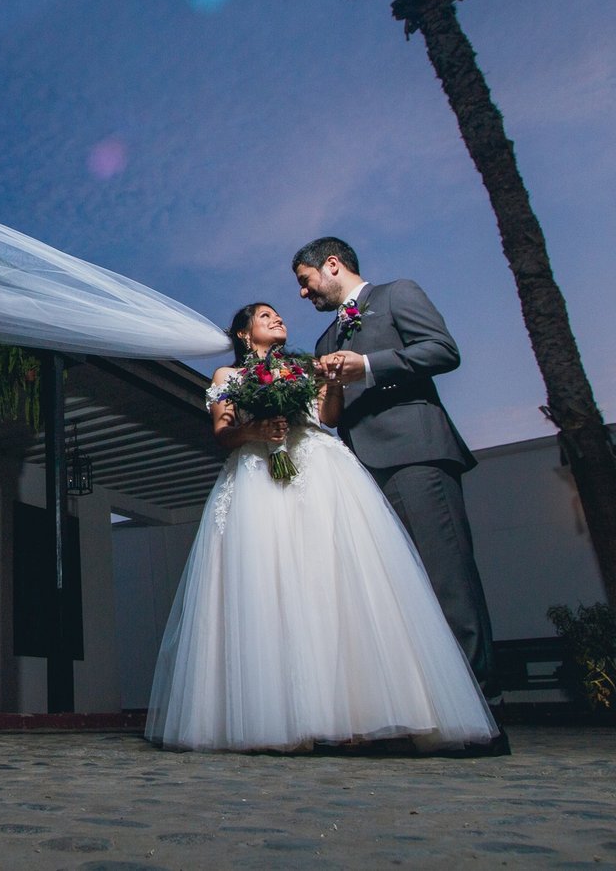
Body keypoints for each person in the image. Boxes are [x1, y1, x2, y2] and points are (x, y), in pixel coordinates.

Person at [144, 302, 500, 753]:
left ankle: (356, 715)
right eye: (264, 316)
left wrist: (330, 384)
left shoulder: (304, 368)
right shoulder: (226, 379)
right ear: (242, 333)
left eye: (278, 316)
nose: (277, 320)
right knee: (270, 583)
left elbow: (327, 417)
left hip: (320, 468)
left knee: (333, 580)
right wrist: (258, 432)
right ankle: (281, 717)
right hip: (258, 477)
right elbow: (223, 433)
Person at [292, 236, 498, 700]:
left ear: (332, 265)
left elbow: (443, 350)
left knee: (448, 579)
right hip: (360, 473)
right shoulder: (325, 341)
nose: (304, 294)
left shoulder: (395, 294)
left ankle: (479, 701)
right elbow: (333, 412)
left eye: (306, 283)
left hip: (416, 454)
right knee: (399, 590)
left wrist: (366, 364)